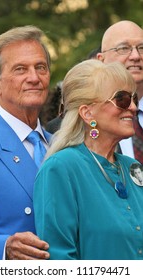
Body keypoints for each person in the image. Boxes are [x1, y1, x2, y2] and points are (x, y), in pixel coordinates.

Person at [34, 59, 143, 260]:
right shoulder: (61, 169)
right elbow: (59, 260)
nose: (134, 107)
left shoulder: (132, 167)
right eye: (122, 99)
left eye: (134, 98)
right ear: (87, 112)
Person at [0, 25, 51, 260]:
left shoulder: (63, 147)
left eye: (40, 67)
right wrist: (3, 248)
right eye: (20, 69)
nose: (34, 78)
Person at [97, 20, 143, 164]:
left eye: (142, 48)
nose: (136, 56)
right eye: (124, 48)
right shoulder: (85, 119)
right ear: (101, 60)